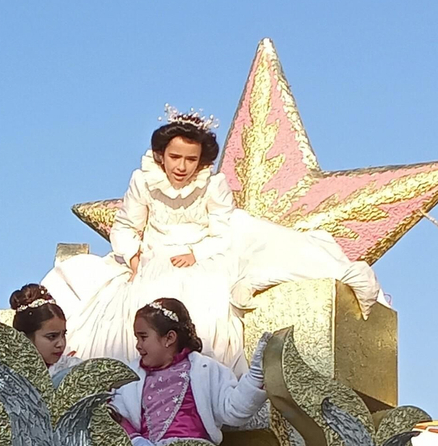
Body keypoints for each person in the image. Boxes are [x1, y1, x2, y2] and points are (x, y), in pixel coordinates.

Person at [42, 111, 383, 371]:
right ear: (162, 155)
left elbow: (222, 228)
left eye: (190, 159)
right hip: (152, 257)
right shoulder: (142, 181)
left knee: (208, 311)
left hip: (202, 255)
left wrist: (197, 252)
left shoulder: (212, 184)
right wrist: (132, 256)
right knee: (126, 313)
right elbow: (126, 226)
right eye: (175, 157)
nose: (182, 166)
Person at [111, 298, 269, 446]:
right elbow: (116, 418)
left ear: (169, 338)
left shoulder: (206, 370)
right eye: (137, 338)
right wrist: (136, 441)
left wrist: (255, 375)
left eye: (143, 337)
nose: (138, 345)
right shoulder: (129, 378)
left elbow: (234, 410)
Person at [11, 283, 79, 381]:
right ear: (25, 339)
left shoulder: (75, 369)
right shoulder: (8, 376)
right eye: (52, 336)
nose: (61, 344)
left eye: (63, 335)